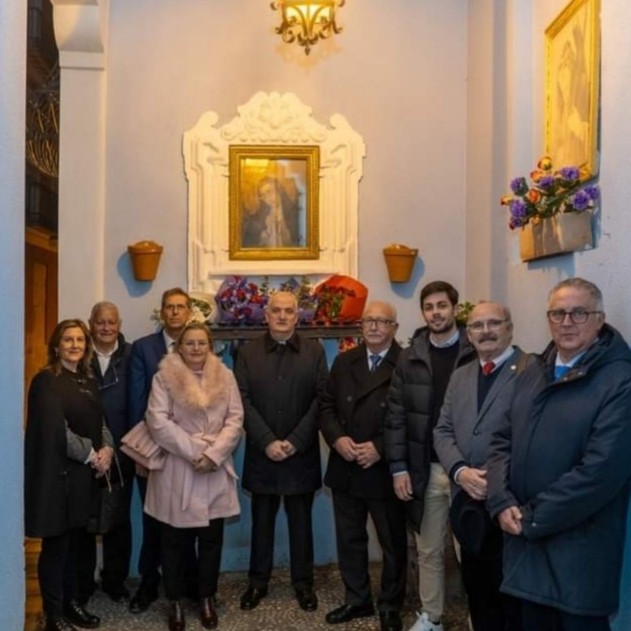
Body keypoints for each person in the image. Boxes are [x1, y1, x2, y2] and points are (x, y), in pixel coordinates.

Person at [487, 278, 631, 631]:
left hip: (579, 555)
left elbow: (600, 472)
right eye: (558, 313)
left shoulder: (619, 381)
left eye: (579, 313)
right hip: (527, 552)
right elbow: (501, 440)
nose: (566, 322)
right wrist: (500, 500)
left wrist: (530, 518)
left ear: (600, 319)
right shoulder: (532, 371)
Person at [384, 280, 476, 631]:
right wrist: (398, 468)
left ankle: (477, 615)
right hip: (426, 469)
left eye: (442, 305)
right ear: (422, 313)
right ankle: (432, 616)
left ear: (455, 308)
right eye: (429, 307)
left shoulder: (474, 349)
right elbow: (395, 416)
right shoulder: (411, 356)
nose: (436, 312)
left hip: (468, 470)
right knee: (428, 551)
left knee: (472, 550)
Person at [433, 301, 531, 630]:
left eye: (494, 323)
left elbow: (534, 436)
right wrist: (460, 470)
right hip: (468, 504)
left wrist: (494, 479)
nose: (485, 331)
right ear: (469, 335)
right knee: (478, 593)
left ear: (509, 328)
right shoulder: (461, 376)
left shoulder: (531, 371)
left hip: (511, 504)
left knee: (512, 599)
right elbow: (443, 429)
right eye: (477, 326)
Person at [144, 322, 243, 631]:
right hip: (178, 467)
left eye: (202, 343)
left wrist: (213, 455)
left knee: (212, 540)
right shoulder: (164, 377)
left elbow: (235, 419)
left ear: (210, 346)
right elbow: (156, 421)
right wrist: (193, 451)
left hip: (214, 467)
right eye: (190, 343)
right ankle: (174, 601)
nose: (196, 348)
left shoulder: (225, 376)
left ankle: (206, 598)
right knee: (173, 541)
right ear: (179, 347)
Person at [234, 291, 328, 612]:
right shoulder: (247, 353)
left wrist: (296, 441)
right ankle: (257, 583)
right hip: (263, 455)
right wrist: (267, 441)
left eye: (289, 311)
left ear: (298, 315)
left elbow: (321, 400)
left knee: (301, 524)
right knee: (262, 523)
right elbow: (241, 401)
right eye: (277, 311)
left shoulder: (314, 352)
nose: (283, 316)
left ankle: (303, 585)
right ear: (266, 315)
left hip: (300, 455)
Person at [319, 301, 407, 631]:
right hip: (347, 465)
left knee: (392, 544)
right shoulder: (344, 361)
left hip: (385, 470)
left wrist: (380, 448)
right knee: (350, 539)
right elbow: (326, 406)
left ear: (394, 328)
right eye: (368, 320)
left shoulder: (407, 363)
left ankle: (390, 605)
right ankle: (357, 600)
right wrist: (337, 440)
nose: (373, 327)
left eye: (382, 321)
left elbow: (413, 416)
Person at [25, 319, 114, 631]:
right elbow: (55, 430)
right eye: (68, 340)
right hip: (58, 479)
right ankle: (53, 615)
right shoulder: (46, 381)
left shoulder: (87, 380)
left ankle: (72, 603)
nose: (75, 345)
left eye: (80, 340)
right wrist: (92, 455)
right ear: (56, 345)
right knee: (57, 548)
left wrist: (108, 450)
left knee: (79, 547)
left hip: (85, 480)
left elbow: (101, 421)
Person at [127, 287, 194, 613]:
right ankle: (148, 584)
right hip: (155, 452)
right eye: (170, 307)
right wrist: (146, 453)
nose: (175, 312)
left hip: (192, 454)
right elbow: (139, 402)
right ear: (162, 312)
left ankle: (186, 585)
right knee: (153, 518)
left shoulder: (200, 347)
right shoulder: (143, 348)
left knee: (191, 519)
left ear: (190, 312)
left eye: (181, 307)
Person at [88, 301, 134, 602]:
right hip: (85, 451)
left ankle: (115, 579)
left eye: (111, 322)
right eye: (100, 322)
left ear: (119, 324)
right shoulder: (81, 354)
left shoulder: (131, 355)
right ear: (91, 323)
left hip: (124, 449)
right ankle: (83, 581)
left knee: (118, 517)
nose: (106, 328)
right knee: (84, 518)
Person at [242, 176, 301, 248]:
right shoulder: (263, 217)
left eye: (269, 191)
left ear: (278, 190)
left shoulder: (293, 213)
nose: (267, 198)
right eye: (263, 195)